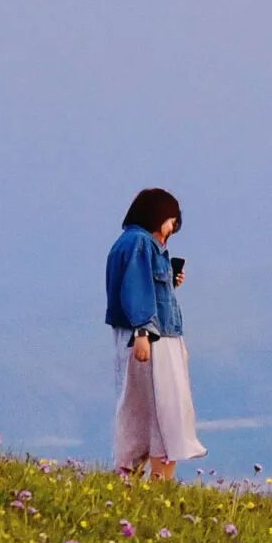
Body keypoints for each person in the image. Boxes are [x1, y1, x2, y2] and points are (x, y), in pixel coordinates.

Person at [104, 188, 206, 480]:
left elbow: (144, 287)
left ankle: (134, 474)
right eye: (171, 222)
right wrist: (143, 331)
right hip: (152, 337)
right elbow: (136, 289)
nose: (171, 230)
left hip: (147, 333)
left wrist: (169, 282)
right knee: (162, 407)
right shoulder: (141, 243)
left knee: (142, 407)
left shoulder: (128, 242)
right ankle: (159, 478)